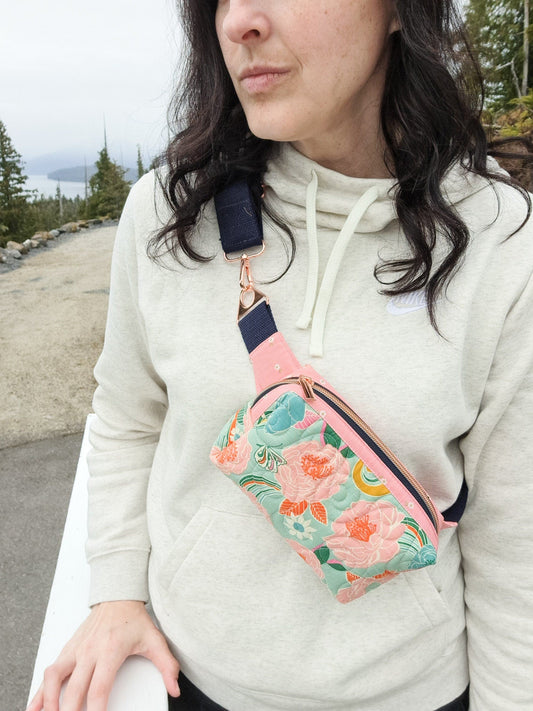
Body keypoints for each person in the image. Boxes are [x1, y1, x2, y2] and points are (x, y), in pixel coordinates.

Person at [28, 0, 533, 710]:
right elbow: (127, 419)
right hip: (189, 676)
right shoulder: (170, 212)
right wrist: (115, 593)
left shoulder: (500, 241)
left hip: (412, 691)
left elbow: (514, 536)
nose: (239, 21)